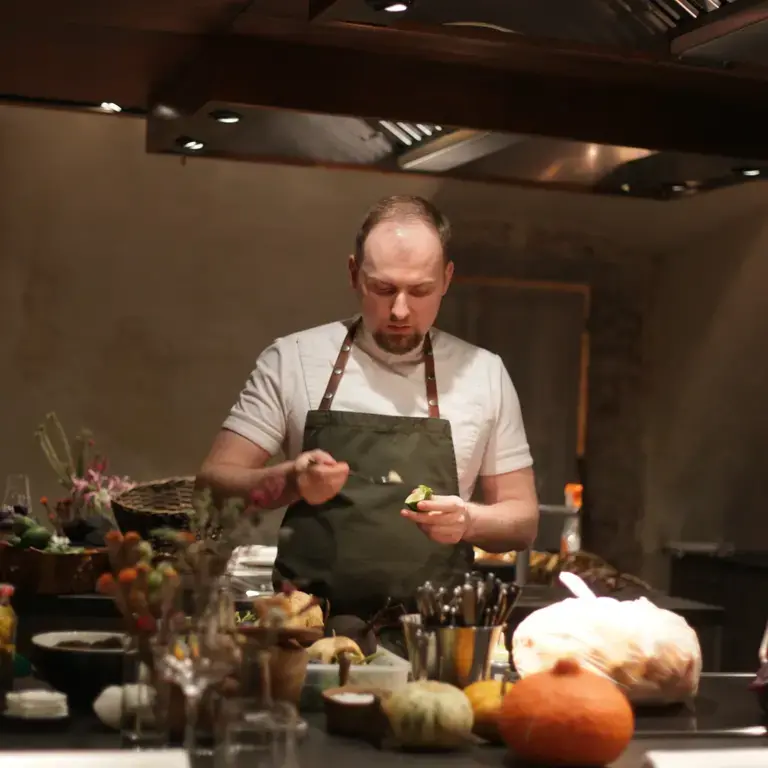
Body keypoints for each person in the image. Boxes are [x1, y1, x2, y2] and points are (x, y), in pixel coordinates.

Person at [197, 195, 538, 618]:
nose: (400, 310)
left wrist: (468, 521)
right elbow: (211, 487)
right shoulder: (293, 359)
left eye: (420, 291)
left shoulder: (484, 373)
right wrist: (291, 481)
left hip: (433, 637)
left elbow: (522, 522)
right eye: (383, 288)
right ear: (354, 274)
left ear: (447, 279)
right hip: (305, 634)